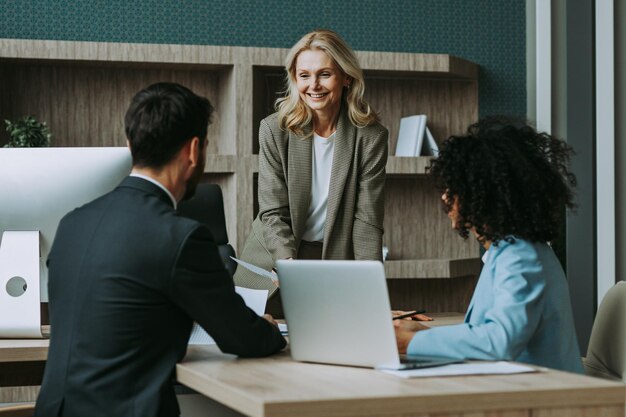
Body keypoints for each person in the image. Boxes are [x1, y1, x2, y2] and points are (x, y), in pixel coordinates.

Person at [35, 82, 286, 417]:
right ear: (194, 150)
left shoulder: (71, 224)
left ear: (130, 144)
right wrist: (268, 328)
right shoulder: (181, 236)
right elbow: (244, 339)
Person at [394, 117, 583, 373]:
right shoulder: (504, 251)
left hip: (543, 399)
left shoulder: (521, 256)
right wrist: (420, 334)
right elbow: (489, 331)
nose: (445, 197)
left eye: (454, 188)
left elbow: (500, 340)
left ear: (483, 195)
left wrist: (413, 342)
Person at [234, 29, 389, 307]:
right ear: (295, 79)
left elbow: (367, 221)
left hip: (335, 260)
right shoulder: (274, 129)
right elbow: (272, 212)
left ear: (346, 77)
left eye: (324, 74)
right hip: (273, 260)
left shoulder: (371, 137)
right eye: (304, 75)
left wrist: (371, 292)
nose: (313, 85)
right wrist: (289, 265)